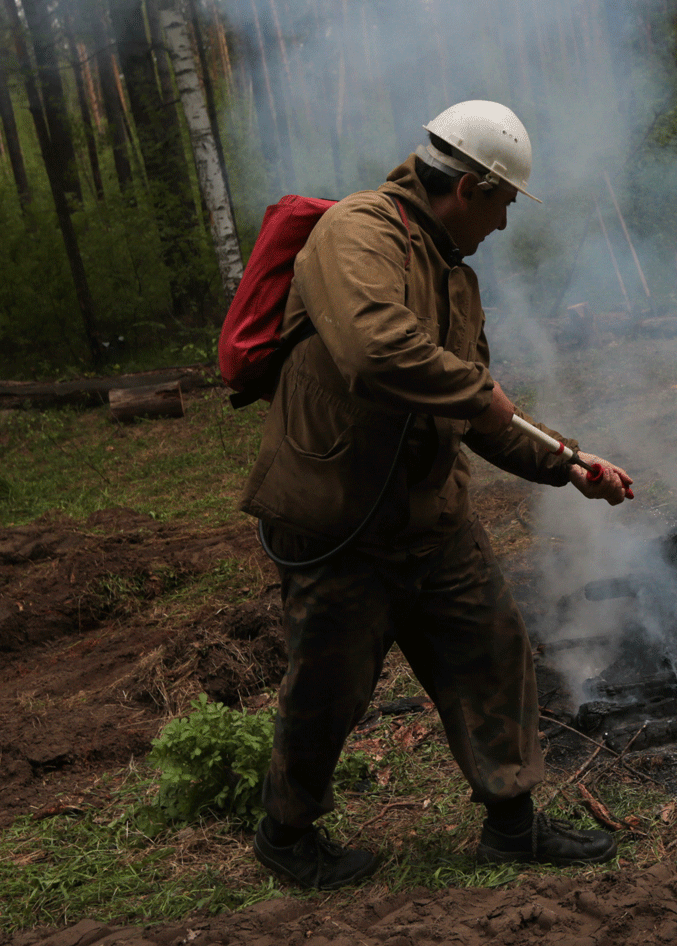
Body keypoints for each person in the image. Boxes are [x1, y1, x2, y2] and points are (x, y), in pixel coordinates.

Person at [239, 99, 633, 890]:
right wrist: (481, 396)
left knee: (492, 652)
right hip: (338, 518)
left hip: (431, 517)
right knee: (328, 688)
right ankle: (286, 833)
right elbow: (377, 349)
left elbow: (477, 409)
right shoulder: (356, 234)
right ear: (472, 188)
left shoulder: (456, 277)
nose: (506, 224)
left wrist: (568, 461)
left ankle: (513, 825)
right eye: (505, 204)